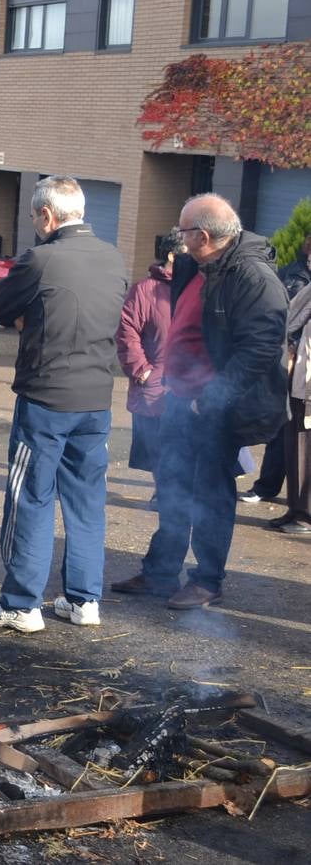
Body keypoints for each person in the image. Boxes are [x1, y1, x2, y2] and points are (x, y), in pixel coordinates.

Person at [112, 195, 288, 607]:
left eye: (184, 231)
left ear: (204, 235)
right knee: (171, 486)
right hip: (180, 397)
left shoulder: (253, 277)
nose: (178, 239)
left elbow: (261, 348)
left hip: (213, 408)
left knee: (211, 494)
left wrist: (209, 398)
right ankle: (160, 572)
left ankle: (208, 581)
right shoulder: (197, 266)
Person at [0, 176, 127, 633]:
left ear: (46, 216)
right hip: (97, 401)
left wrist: (29, 317)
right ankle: (85, 601)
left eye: (33, 217)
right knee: (87, 501)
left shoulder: (41, 258)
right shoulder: (114, 258)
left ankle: (23, 604)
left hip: (46, 398)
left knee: (31, 498)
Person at [240, 232, 311, 504]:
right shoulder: (292, 276)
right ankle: (267, 487)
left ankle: (298, 502)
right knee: (282, 428)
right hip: (291, 362)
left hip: (304, 366)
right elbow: (283, 318)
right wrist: (288, 349)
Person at [116, 232, 182, 489]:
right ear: (172, 255)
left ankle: (178, 494)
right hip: (156, 384)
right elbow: (126, 332)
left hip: (189, 384)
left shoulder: (197, 286)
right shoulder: (145, 291)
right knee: (159, 446)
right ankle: (164, 492)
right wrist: (143, 371)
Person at [277, 281, 311, 534]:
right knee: (294, 449)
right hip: (298, 383)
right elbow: (290, 318)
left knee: (306, 451)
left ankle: (305, 514)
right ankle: (295, 508)